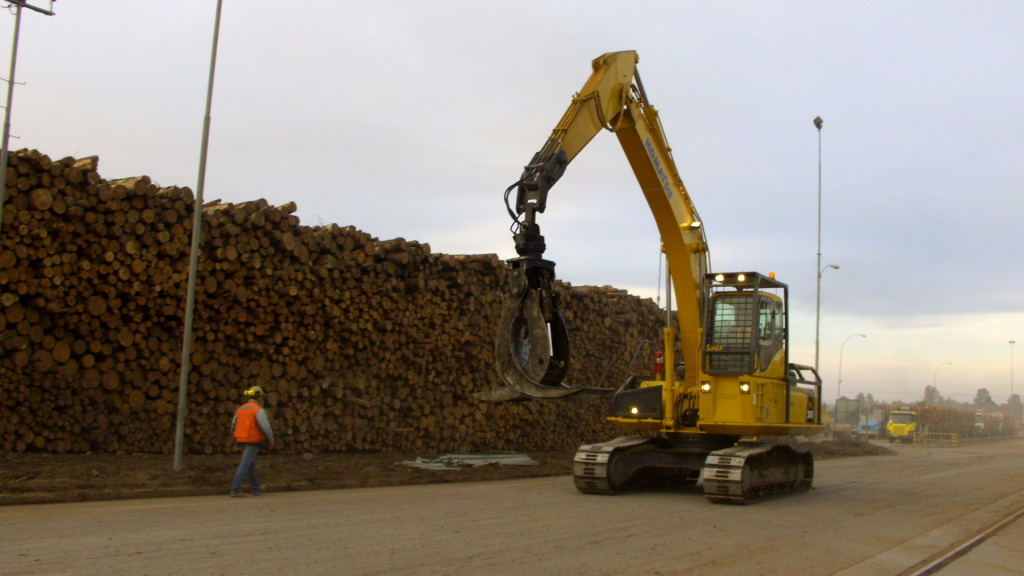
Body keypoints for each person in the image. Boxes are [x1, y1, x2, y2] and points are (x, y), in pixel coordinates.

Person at [230, 385, 275, 497]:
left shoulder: (241, 408)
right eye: (261, 397)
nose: (262, 400)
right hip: (253, 440)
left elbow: (233, 425)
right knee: (245, 465)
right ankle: (235, 489)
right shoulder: (258, 410)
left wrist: (236, 439)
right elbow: (266, 427)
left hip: (241, 439)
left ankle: (256, 487)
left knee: (250, 465)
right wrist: (271, 441)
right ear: (259, 398)